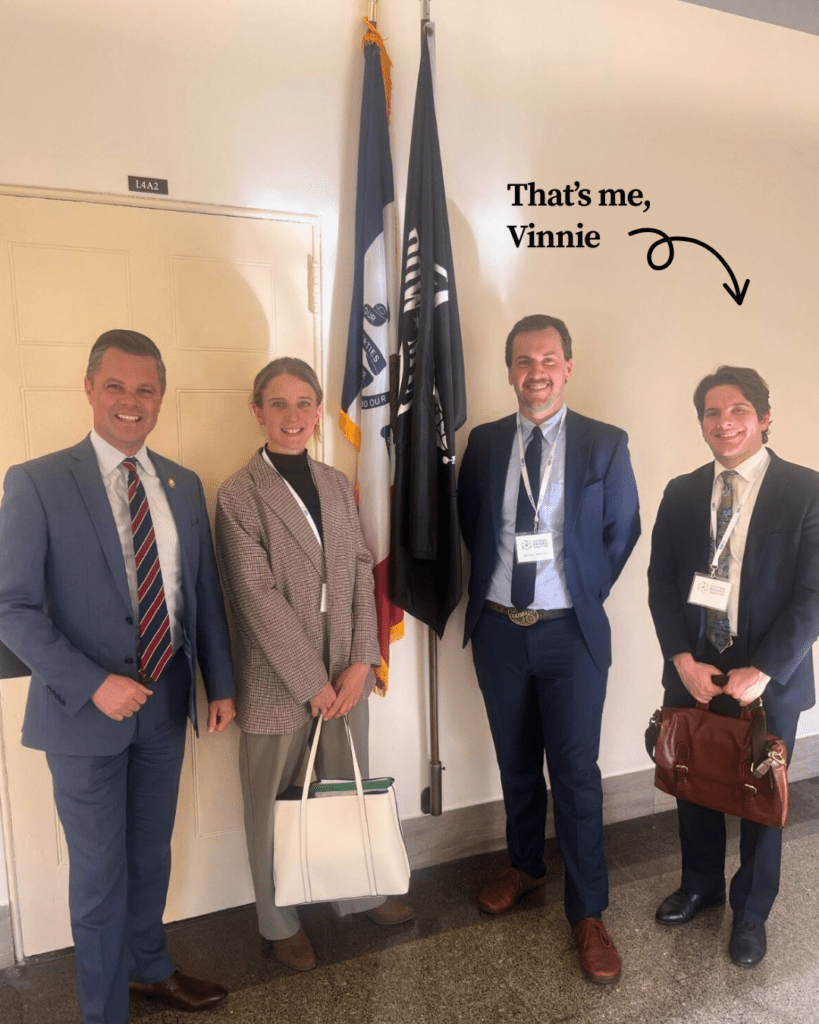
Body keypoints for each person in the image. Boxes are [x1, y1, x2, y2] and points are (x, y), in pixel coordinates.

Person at [0, 330, 236, 1024]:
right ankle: (103, 1013)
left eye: (145, 390)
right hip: (83, 716)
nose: (131, 403)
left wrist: (217, 683)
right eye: (116, 387)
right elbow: (9, 607)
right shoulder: (37, 481)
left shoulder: (182, 483)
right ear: (89, 388)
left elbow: (202, 593)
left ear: (160, 397)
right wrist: (92, 682)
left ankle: (151, 970)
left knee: (149, 856)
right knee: (99, 877)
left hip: (164, 708)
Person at [457, 314, 640, 984]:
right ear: (508, 370)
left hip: (571, 633)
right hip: (501, 628)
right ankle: (526, 867)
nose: (536, 373)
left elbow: (622, 529)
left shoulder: (603, 443)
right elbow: (473, 525)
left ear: (567, 367)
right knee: (513, 761)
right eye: (523, 361)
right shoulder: (481, 445)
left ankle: (588, 912)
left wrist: (581, 593)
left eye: (548, 360)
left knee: (574, 771)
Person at [214, 356, 412, 973]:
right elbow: (257, 598)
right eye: (278, 404)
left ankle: (357, 892)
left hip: (346, 673)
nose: (292, 417)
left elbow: (357, 571)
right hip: (279, 681)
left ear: (319, 411)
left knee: (343, 784)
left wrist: (359, 661)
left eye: (305, 404)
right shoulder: (238, 495)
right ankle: (279, 920)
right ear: (257, 411)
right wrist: (312, 683)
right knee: (272, 802)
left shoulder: (333, 483)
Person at [648, 366, 819, 967]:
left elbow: (813, 592)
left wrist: (764, 670)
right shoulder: (682, 491)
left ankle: (751, 912)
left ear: (765, 418)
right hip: (695, 670)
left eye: (739, 410)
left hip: (769, 678)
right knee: (692, 781)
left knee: (759, 794)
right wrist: (683, 660)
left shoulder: (806, 489)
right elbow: (662, 583)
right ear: (701, 423)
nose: (725, 423)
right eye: (712, 413)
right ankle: (700, 885)